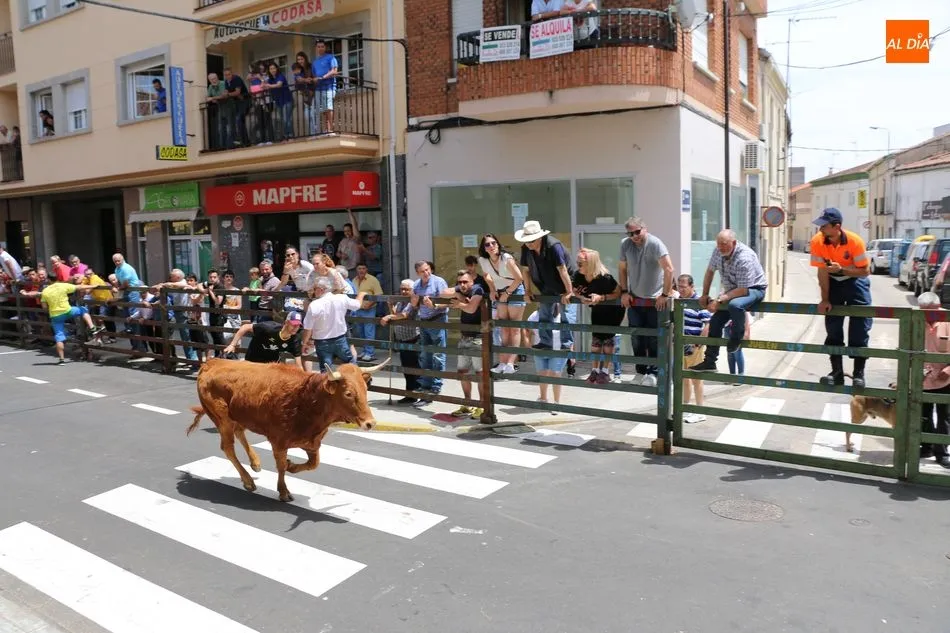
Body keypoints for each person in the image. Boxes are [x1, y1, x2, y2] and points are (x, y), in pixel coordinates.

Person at [808, 208, 872, 387]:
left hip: (855, 281)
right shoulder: (817, 241)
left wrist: (842, 270)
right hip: (832, 281)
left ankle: (859, 374)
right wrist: (825, 299)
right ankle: (836, 373)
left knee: (860, 327)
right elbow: (822, 272)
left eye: (824, 226)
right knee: (833, 327)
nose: (820, 229)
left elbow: (865, 271)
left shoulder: (854, 241)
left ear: (837, 227)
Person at [692, 230, 768, 373]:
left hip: (753, 289)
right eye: (718, 244)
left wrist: (719, 299)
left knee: (735, 305)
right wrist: (705, 295)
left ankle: (736, 339)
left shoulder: (745, 257)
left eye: (724, 244)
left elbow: (743, 290)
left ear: (733, 243)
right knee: (715, 322)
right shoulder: (718, 251)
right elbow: (710, 272)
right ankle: (710, 362)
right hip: (732, 291)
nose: (721, 247)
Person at [617, 216, 675, 387]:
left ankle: (655, 373)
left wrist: (665, 294)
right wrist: (624, 292)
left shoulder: (655, 243)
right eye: (630, 233)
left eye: (637, 232)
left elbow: (669, 269)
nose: (634, 236)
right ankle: (641, 371)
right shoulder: (625, 244)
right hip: (635, 300)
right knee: (636, 337)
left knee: (655, 339)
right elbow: (622, 269)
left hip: (655, 301)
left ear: (645, 229)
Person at [517, 220, 576, 377]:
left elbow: (563, 269)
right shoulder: (526, 249)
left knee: (566, 314)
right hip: (546, 285)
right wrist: (527, 290)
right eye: (526, 240)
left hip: (565, 282)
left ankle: (566, 345)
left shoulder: (553, 246)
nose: (529, 243)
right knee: (544, 314)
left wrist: (569, 291)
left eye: (531, 240)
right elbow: (525, 270)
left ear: (539, 237)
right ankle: (545, 342)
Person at [440, 270, 486, 419]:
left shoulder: (478, 289)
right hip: (464, 337)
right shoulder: (461, 290)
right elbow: (443, 293)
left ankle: (482, 406)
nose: (462, 284)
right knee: (462, 373)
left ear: (472, 281)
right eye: (460, 282)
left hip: (478, 338)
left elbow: (471, 309)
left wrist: (459, 304)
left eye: (465, 282)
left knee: (480, 374)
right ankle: (468, 404)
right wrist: (458, 294)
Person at [572, 248, 623, 384]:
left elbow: (618, 292)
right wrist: (581, 297)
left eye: (580, 263)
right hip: (597, 309)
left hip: (613, 311)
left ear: (590, 263)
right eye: (577, 262)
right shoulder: (578, 275)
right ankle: (594, 370)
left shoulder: (604, 277)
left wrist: (602, 297)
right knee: (596, 341)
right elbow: (573, 290)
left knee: (607, 342)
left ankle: (605, 372)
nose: (577, 265)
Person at [24, 281, 106, 364]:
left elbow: (44, 307)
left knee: (59, 336)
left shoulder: (45, 291)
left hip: (55, 315)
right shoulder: (62, 286)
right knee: (82, 310)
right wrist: (93, 286)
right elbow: (79, 287)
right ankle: (92, 328)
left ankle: (61, 360)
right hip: (67, 311)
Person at [478, 233, 525, 375]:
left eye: (493, 243)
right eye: (487, 244)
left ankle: (511, 363)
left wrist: (508, 293)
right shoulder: (483, 260)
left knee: (514, 328)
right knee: (504, 328)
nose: (491, 246)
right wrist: (492, 289)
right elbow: (486, 276)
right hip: (500, 291)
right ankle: (502, 363)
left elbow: (519, 278)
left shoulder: (506, 258)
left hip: (515, 290)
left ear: (498, 244)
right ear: (484, 248)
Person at [300, 277, 366, 371]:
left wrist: (304, 343)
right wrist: (361, 294)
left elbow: (308, 328)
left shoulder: (314, 305)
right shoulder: (342, 298)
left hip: (322, 342)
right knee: (350, 364)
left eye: (314, 288)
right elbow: (357, 305)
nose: (313, 291)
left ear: (320, 289)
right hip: (340, 339)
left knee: (326, 370)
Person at [916, 292, 950, 467]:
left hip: (946, 378)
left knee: (944, 416)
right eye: (923, 311)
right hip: (923, 377)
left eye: (929, 311)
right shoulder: (916, 320)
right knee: (923, 415)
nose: (926, 315)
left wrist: (949, 370)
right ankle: (926, 446)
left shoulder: (948, 320)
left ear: (937, 307)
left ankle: (942, 451)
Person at [380, 280, 422, 405]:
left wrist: (388, 317)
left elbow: (404, 315)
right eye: (402, 289)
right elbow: (396, 315)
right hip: (402, 339)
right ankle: (409, 394)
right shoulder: (400, 301)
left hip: (413, 339)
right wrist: (390, 307)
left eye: (406, 289)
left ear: (412, 290)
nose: (403, 291)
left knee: (414, 368)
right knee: (406, 368)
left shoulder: (412, 301)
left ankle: (417, 394)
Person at [678, 274, 712, 423]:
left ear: (692, 286)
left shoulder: (698, 302)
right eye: (679, 286)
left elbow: (708, 324)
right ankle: (686, 409)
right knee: (685, 379)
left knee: (696, 380)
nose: (681, 289)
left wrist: (698, 344)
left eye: (684, 287)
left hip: (694, 346)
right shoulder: (680, 300)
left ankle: (700, 412)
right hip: (681, 345)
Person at [223, 311, 304, 369]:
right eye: (294, 324)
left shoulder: (295, 339)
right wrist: (232, 345)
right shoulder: (269, 328)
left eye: (298, 325)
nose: (296, 328)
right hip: (253, 359)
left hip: (270, 365)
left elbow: (299, 365)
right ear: (286, 322)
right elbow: (245, 327)